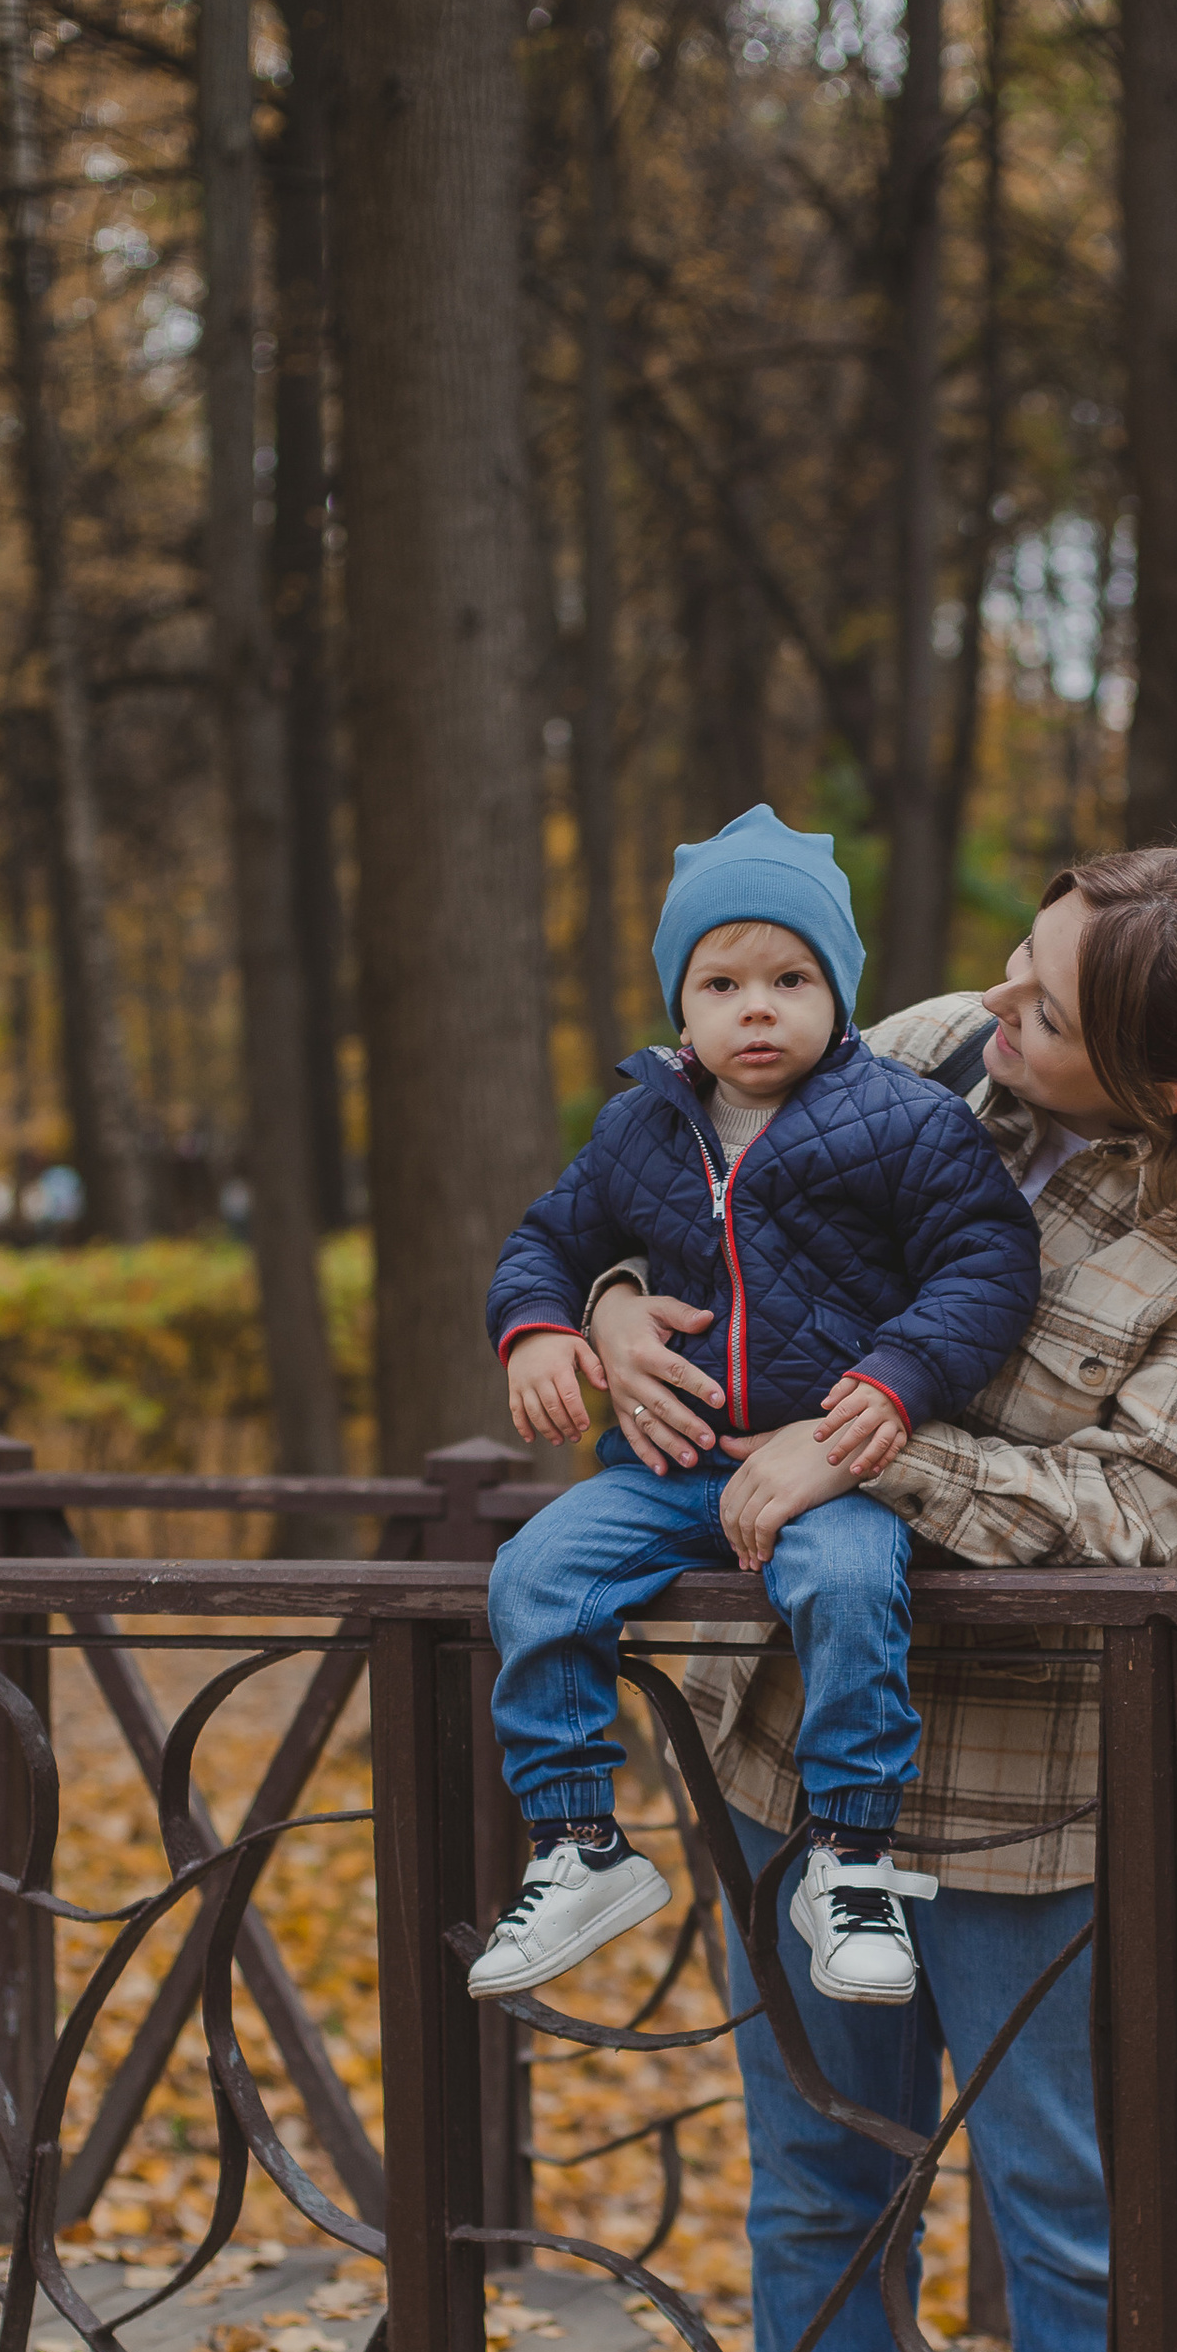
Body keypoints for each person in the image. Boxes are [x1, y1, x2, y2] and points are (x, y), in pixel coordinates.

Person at [576, 846, 1177, 2352]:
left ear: (1161, 1085)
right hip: (799, 1752)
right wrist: (608, 1303)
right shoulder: (919, 1057)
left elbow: (1144, 1520)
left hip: (1035, 1790)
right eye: (1015, 964)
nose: (994, 1007)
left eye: (1045, 1009)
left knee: (1064, 2209)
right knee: (822, 2182)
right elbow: (671, 1183)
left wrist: (869, 1454)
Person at [474, 806, 1039, 2013]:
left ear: (838, 991)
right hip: (668, 1465)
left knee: (850, 1589)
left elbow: (986, 1265)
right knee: (534, 1575)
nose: (757, 1009)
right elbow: (549, 1242)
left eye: (791, 979)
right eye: (721, 984)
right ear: (680, 1006)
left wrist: (895, 1379)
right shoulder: (639, 1127)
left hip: (829, 1464)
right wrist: (544, 1328)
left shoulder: (903, 1120)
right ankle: (577, 1842)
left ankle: (851, 1858)